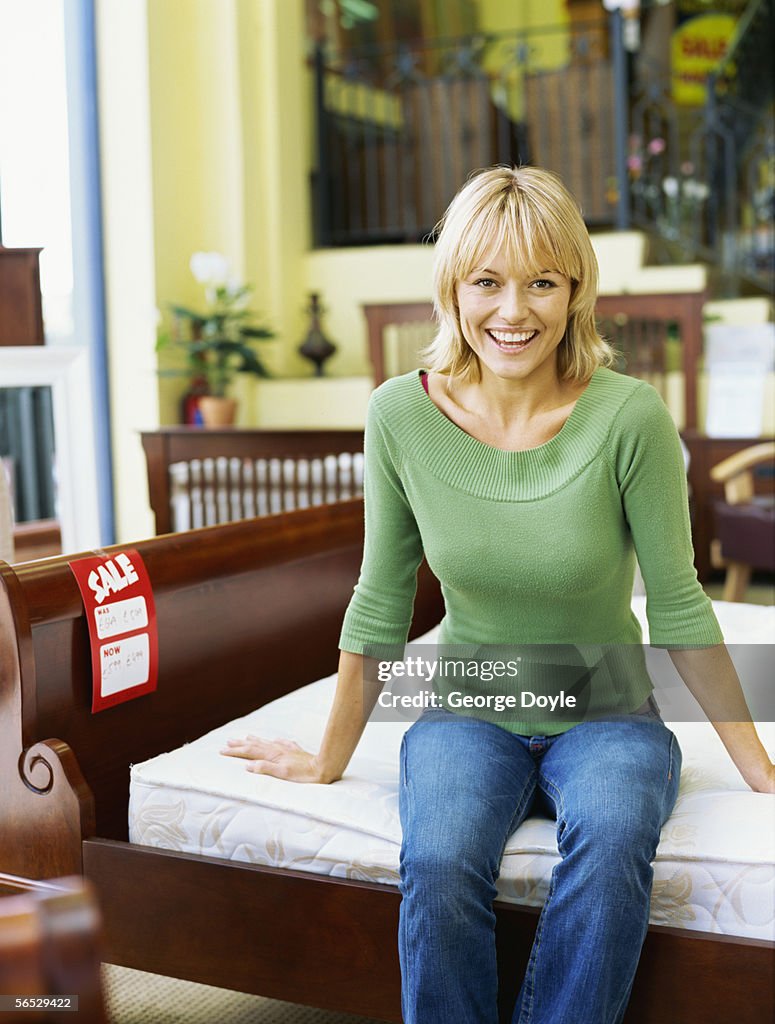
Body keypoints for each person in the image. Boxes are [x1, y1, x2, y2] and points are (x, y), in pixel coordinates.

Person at [222, 166, 775, 1024]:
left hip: (608, 715)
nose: (511, 312)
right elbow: (379, 599)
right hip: (466, 711)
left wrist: (761, 773)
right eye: (486, 282)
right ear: (452, 288)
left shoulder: (628, 416)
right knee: (439, 858)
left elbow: (678, 604)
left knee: (615, 834)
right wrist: (327, 761)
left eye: (540, 283)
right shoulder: (399, 417)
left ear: (573, 292)